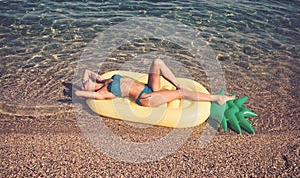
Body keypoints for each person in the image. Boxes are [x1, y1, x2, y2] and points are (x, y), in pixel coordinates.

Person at [75, 58, 235, 107]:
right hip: (147, 98)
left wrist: (85, 78)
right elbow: (78, 92)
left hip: (148, 88)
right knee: (182, 94)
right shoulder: (104, 93)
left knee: (157, 62)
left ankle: (178, 83)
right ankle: (217, 98)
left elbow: (87, 72)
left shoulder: (104, 80)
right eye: (85, 84)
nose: (85, 83)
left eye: (85, 83)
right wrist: (84, 92)